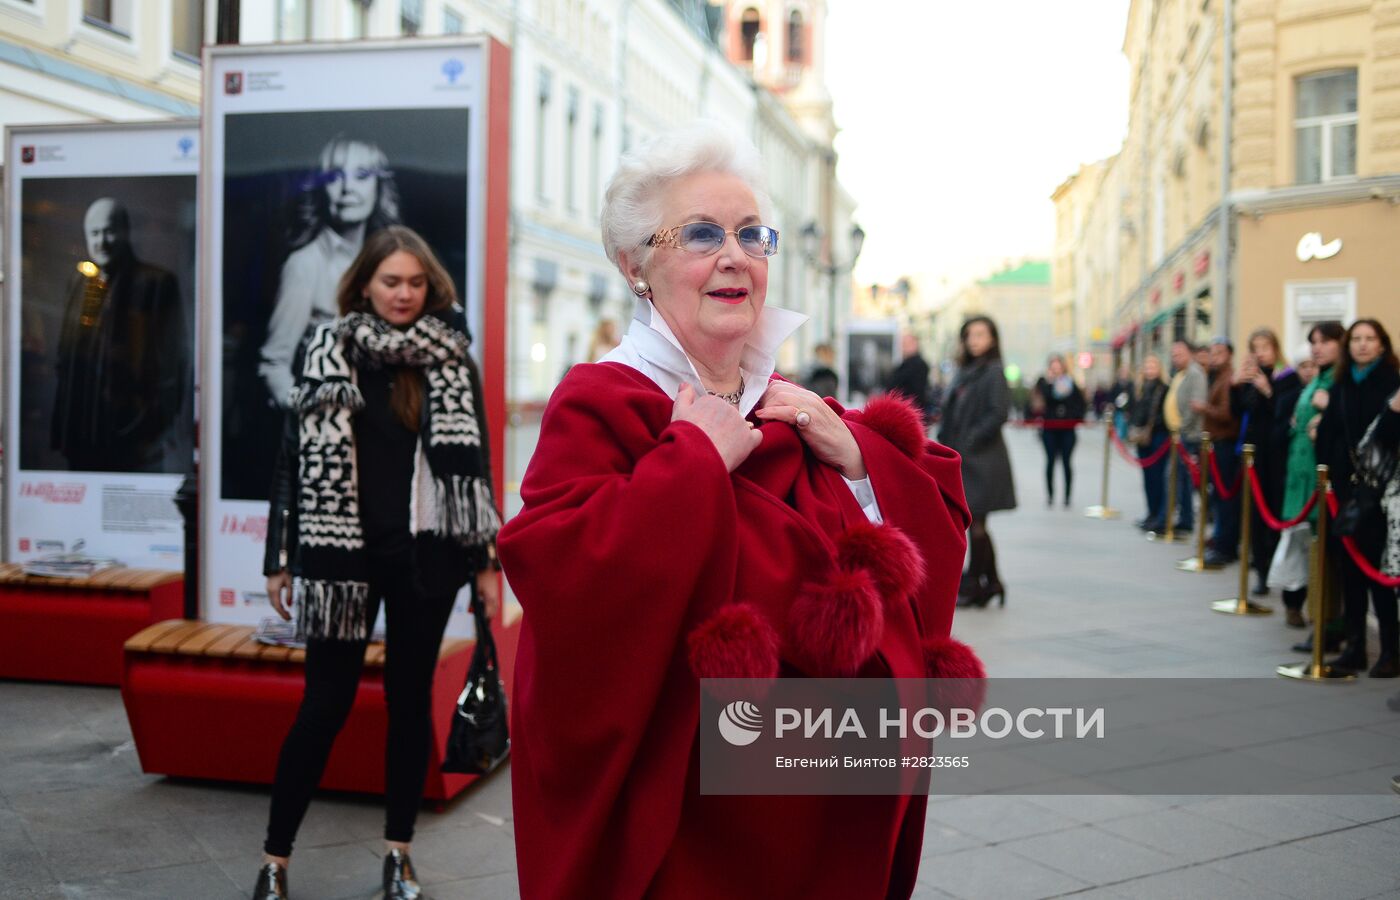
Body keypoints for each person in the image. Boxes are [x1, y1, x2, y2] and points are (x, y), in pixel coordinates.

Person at [496, 125, 975, 899]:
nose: (735, 254)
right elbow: (561, 572)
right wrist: (690, 457)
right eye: (701, 233)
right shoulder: (601, 396)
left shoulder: (795, 405)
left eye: (752, 234)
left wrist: (855, 453)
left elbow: (936, 536)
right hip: (690, 806)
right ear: (636, 265)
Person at [253, 226, 502, 900]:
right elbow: (290, 462)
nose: (404, 294)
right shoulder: (326, 349)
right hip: (342, 561)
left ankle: (399, 853)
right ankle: (275, 860)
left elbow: (471, 467)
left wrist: (484, 560)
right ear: (364, 283)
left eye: (416, 283)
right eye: (391, 281)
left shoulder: (451, 357)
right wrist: (280, 557)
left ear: (431, 288)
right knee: (323, 707)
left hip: (425, 557)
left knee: (408, 704)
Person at [259, 135, 401, 409]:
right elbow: (274, 364)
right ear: (321, 188)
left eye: (361, 175)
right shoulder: (305, 264)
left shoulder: (390, 259)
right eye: (335, 176)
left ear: (378, 186)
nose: (348, 188)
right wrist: (310, 418)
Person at [50, 197, 187, 473]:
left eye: (109, 231)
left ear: (125, 231)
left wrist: (153, 424)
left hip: (133, 437)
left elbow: (173, 363)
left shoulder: (156, 283)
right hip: (83, 433)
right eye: (95, 233)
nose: (102, 241)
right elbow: (68, 356)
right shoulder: (81, 283)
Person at [1315, 318, 1400, 677]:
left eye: (1370, 339)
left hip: (1383, 492)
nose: (1363, 345)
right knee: (1350, 571)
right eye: (1357, 339)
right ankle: (1355, 647)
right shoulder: (1342, 383)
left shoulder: (1393, 384)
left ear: (1382, 345)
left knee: (1380, 573)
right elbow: (1330, 433)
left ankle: (1391, 651)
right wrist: (1329, 478)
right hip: (1346, 491)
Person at [1270, 323, 1342, 633]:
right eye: (1313, 342)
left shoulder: (1337, 379)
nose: (1317, 348)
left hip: (1321, 480)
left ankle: (1326, 626)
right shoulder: (1319, 380)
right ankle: (1310, 618)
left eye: (1324, 342)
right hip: (1300, 479)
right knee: (1303, 549)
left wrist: (1324, 419)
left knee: (1324, 556)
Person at [940, 316, 1017, 607]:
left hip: (984, 460)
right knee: (975, 522)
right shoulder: (965, 370)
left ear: (993, 339)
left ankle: (976, 583)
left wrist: (970, 440)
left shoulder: (994, 371)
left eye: (981, 334)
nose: (974, 339)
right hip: (964, 458)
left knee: (977, 522)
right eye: (970, 334)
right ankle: (992, 583)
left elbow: (999, 413)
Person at [1235, 328, 1301, 595]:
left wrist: (1268, 390)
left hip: (1277, 457)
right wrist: (1236, 385)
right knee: (1254, 514)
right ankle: (1260, 570)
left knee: (1274, 512)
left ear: (1275, 348)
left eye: (1265, 347)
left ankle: (1276, 568)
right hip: (1254, 455)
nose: (1260, 352)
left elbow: (1283, 415)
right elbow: (1238, 412)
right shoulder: (1252, 378)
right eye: (1255, 347)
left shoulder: (1288, 378)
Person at [1030, 354, 1086, 508]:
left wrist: (1072, 416)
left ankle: (1067, 496)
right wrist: (1050, 384)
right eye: (1053, 367)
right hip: (1049, 428)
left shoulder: (1070, 383)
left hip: (1067, 428)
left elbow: (1079, 404)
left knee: (1067, 462)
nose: (1056, 370)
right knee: (1050, 462)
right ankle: (1050, 495)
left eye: (1058, 367)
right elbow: (1043, 400)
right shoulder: (1044, 382)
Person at [1163, 340, 1207, 533]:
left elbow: (1195, 406)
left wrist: (1182, 428)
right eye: (1173, 355)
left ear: (1190, 353)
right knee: (1177, 478)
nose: (1175, 358)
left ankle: (1186, 519)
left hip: (1188, 435)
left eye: (1179, 354)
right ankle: (1181, 517)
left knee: (1183, 479)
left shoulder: (1195, 374)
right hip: (1178, 435)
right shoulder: (1180, 374)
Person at [1129, 354, 1170, 532]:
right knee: (1147, 478)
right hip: (1142, 437)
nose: (1150, 369)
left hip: (1158, 435)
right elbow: (1135, 410)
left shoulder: (1163, 388)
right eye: (1147, 366)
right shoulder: (1140, 388)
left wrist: (1152, 426)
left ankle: (1159, 515)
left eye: (1153, 365)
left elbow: (1164, 413)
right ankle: (1151, 512)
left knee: (1157, 477)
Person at [885, 333, 931, 412]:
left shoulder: (918, 365)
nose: (903, 347)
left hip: (907, 411)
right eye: (903, 344)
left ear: (915, 344)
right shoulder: (906, 364)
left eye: (907, 344)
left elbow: (917, 393)